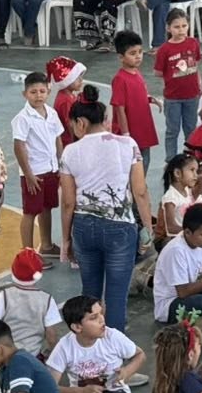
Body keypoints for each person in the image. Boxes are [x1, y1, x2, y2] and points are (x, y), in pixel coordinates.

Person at [59, 99, 151, 332]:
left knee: (90, 294)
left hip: (84, 227)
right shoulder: (128, 145)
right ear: (105, 119)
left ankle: (89, 343)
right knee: (116, 297)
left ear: (81, 122)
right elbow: (140, 191)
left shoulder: (70, 151)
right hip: (120, 229)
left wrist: (66, 239)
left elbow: (68, 203)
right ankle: (114, 347)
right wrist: (148, 230)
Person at [47, 294, 144, 393]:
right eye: (93, 318)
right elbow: (49, 388)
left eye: (101, 313)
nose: (101, 320)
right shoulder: (64, 346)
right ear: (77, 327)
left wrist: (126, 372)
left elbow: (140, 355)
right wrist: (80, 392)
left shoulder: (112, 337)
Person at [10, 71, 64, 260]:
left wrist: (61, 165)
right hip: (34, 172)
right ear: (24, 94)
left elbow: (58, 140)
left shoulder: (52, 113)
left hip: (51, 169)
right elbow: (19, 146)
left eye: (42, 91)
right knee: (30, 212)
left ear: (48, 92)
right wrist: (28, 174)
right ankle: (29, 254)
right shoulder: (22, 118)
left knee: (47, 207)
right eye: (33, 92)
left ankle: (47, 245)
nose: (38, 95)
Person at [0, 248, 64, 357]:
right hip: (32, 356)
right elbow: (51, 336)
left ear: (13, 272)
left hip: (7, 354)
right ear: (39, 274)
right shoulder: (46, 299)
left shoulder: (5, 295)